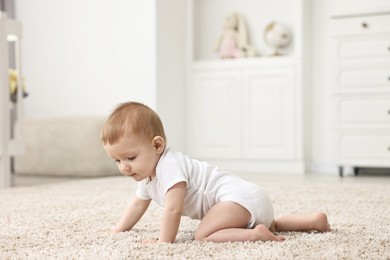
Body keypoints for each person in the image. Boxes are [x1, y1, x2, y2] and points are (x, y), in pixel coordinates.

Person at [101, 101, 331, 243]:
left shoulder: (170, 166)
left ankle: (254, 236)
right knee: (272, 223)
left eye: (130, 157)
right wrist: (119, 228)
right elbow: (137, 204)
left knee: (202, 236)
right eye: (117, 161)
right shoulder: (148, 176)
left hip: (237, 200)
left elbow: (173, 208)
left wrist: (164, 242)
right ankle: (313, 221)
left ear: (157, 145)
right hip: (251, 200)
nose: (124, 167)